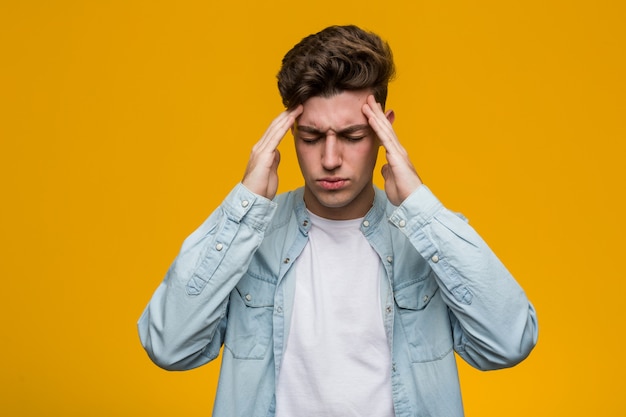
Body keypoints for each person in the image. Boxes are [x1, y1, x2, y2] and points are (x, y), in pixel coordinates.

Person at [138, 25, 538, 417]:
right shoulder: (251, 236)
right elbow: (170, 346)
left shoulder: (424, 236)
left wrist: (420, 206)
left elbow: (509, 341)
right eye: (311, 137)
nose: (330, 159)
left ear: (384, 132)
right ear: (291, 132)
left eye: (352, 135)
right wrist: (243, 205)